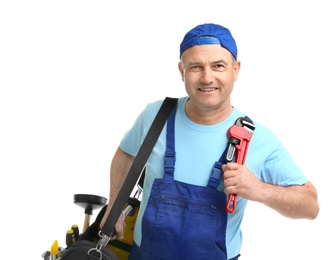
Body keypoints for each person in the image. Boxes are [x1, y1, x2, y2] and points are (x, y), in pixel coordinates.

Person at [100, 23, 319, 260]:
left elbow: (310, 206)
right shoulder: (155, 117)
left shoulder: (256, 139)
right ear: (181, 71)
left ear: (235, 70)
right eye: (195, 66)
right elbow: (125, 154)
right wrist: (114, 205)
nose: (207, 77)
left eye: (218, 66)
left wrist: (258, 189)